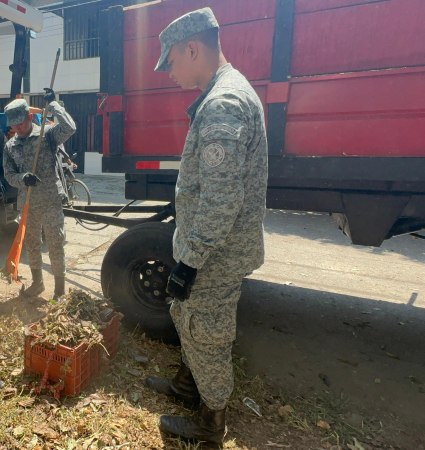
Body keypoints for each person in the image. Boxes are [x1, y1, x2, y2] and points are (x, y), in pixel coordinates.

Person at [142, 7, 268, 443]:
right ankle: (185, 385)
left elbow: (221, 198)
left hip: (215, 252)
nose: (170, 73)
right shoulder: (225, 92)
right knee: (184, 314)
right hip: (212, 245)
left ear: (192, 48)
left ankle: (210, 423)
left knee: (206, 332)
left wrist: (189, 262)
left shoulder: (223, 103)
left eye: (172, 62)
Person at [2, 91, 76, 300]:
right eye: (13, 125)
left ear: (30, 117)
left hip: (51, 201)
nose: (17, 128)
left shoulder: (48, 134)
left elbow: (70, 128)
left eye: (21, 124)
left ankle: (59, 290)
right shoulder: (10, 146)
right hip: (28, 204)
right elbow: (8, 175)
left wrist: (54, 105)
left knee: (55, 244)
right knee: (32, 245)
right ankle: (37, 283)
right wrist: (23, 179)